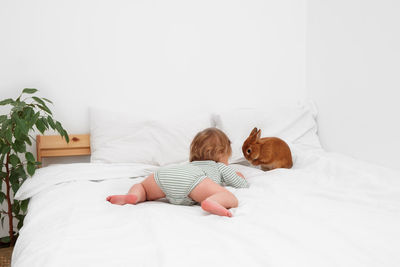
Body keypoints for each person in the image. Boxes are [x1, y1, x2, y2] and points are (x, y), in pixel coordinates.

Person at [106, 127, 248, 217]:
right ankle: (211, 201)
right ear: (222, 153)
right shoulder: (219, 166)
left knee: (142, 186)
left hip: (166, 175)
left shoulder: (188, 165)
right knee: (230, 198)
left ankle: (133, 196)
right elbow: (241, 184)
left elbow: (181, 174)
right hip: (194, 181)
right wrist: (238, 176)